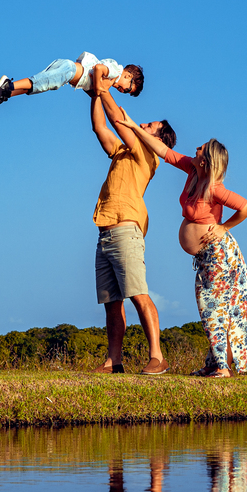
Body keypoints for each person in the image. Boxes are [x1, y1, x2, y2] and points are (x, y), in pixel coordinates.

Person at [109, 106, 247, 377]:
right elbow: (163, 152)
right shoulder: (191, 170)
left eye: (200, 148)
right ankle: (216, 364)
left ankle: (222, 367)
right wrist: (135, 127)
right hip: (206, 258)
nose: (195, 148)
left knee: (213, 306)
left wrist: (223, 227)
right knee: (210, 306)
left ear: (207, 160)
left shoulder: (215, 188)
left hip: (219, 255)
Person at [87, 78, 175, 375]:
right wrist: (94, 95)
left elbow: (118, 118)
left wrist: (102, 86)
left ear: (159, 139)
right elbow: (101, 128)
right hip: (105, 228)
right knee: (111, 303)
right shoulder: (125, 150)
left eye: (150, 125)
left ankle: (157, 357)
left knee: (138, 293)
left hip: (126, 227)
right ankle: (115, 361)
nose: (144, 125)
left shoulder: (147, 154)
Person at [0, 51, 144, 111]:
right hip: (69, 70)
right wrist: (98, 90)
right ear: (128, 76)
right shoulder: (115, 71)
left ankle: (6, 94)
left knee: (40, 86)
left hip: (67, 73)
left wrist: (96, 93)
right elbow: (98, 69)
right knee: (41, 82)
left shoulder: (109, 80)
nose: (123, 91)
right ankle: (8, 85)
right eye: (128, 89)